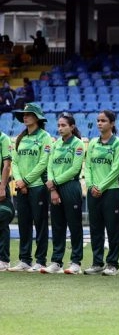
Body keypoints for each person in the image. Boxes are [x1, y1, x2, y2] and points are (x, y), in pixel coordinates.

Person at [7, 103, 51, 273]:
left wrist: (26, 180)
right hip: (20, 186)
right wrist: (19, 181)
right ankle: (25, 259)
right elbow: (15, 161)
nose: (25, 117)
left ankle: (40, 260)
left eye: (28, 114)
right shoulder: (21, 138)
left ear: (37, 118)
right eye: (24, 115)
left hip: (38, 186)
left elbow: (43, 162)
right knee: (24, 223)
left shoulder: (45, 137)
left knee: (40, 224)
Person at [41, 113, 85, 275]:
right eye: (58, 125)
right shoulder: (55, 144)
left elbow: (74, 168)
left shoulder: (78, 144)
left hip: (71, 186)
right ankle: (56, 261)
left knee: (74, 225)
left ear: (72, 127)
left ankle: (75, 262)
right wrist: (52, 188)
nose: (60, 128)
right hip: (55, 188)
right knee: (58, 225)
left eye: (63, 125)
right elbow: (50, 166)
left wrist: (55, 182)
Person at [83, 110, 119, 276]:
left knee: (113, 228)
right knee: (95, 228)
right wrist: (92, 185)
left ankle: (112, 264)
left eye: (103, 121)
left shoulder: (118, 144)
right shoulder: (93, 142)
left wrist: (101, 187)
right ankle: (97, 262)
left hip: (111, 191)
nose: (100, 123)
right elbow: (88, 166)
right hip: (94, 192)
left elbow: (116, 170)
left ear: (112, 123)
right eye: (98, 121)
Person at [0, 126, 13, 271]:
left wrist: (2, 187)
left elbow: (7, 165)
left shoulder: (3, 139)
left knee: (2, 219)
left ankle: (3, 259)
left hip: (0, 184)